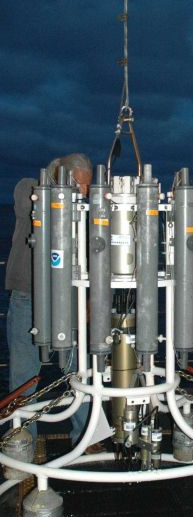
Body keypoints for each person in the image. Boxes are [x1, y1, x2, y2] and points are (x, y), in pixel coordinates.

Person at [5, 153, 93, 445]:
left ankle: (86, 439)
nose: (83, 194)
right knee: (24, 377)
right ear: (62, 176)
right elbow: (27, 198)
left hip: (68, 300)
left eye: (86, 189)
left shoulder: (81, 208)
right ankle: (22, 442)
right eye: (79, 186)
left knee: (78, 373)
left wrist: (90, 300)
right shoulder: (29, 188)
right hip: (27, 300)